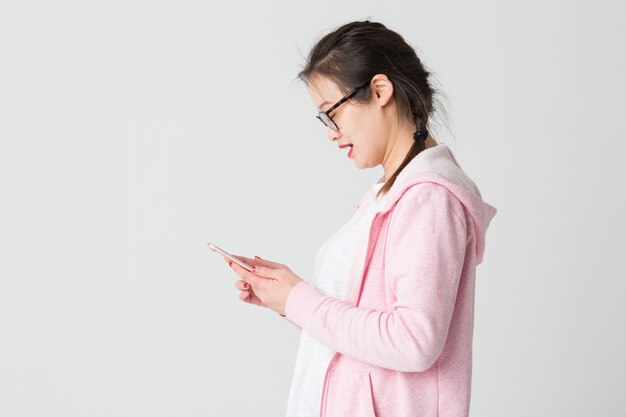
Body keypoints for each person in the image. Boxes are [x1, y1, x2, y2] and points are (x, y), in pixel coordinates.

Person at [225, 19, 497, 417]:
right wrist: (285, 300)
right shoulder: (389, 193)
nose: (331, 133)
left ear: (380, 90)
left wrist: (300, 299)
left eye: (331, 113)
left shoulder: (429, 199)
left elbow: (413, 341)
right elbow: (361, 331)